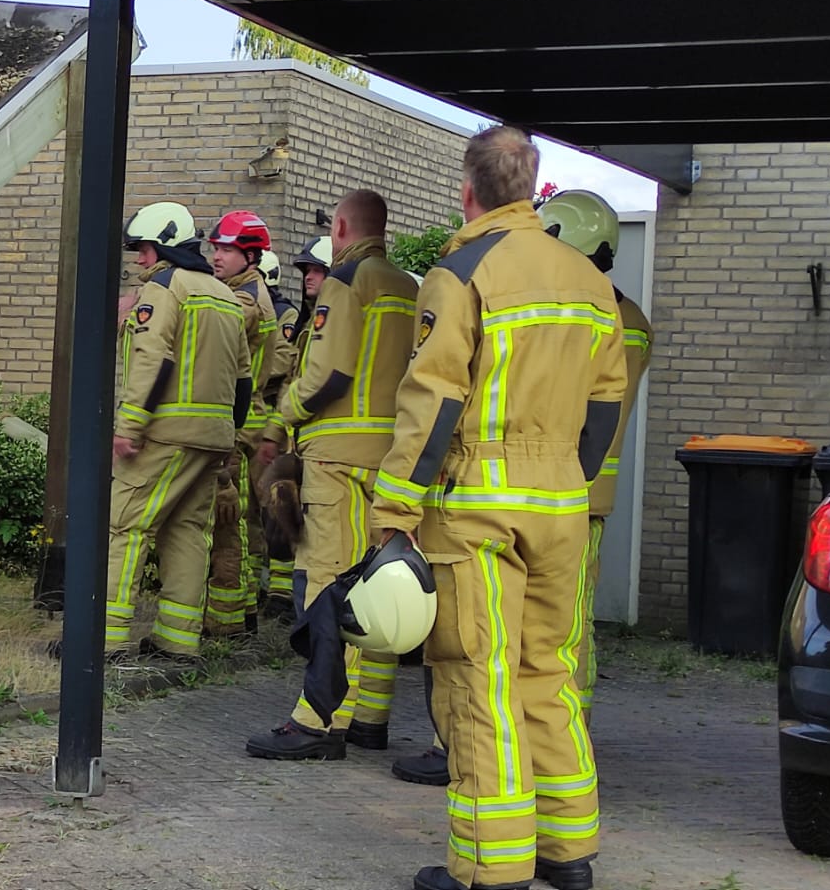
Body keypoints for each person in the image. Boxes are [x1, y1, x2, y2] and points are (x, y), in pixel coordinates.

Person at [370, 127, 627, 890]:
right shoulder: (589, 279)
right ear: (533, 186)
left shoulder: (460, 272)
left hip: (478, 507)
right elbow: (608, 401)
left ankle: (491, 865)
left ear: (467, 189)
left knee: (477, 679)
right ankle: (569, 851)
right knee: (547, 670)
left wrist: (396, 509)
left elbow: (432, 398)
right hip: (560, 505)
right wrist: (564, 477)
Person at [245, 190, 418, 761]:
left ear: (340, 227)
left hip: (338, 456)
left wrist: (279, 421)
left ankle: (315, 723)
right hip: (390, 456)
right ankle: (368, 716)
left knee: (325, 583)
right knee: (376, 584)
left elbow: (328, 373)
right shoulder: (410, 287)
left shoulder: (346, 282)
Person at [58, 201, 250, 662]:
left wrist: (130, 425)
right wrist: (230, 434)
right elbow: (243, 379)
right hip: (214, 438)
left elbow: (153, 359)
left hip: (165, 433)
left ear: (164, 246)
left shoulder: (165, 288)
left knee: (124, 526)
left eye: (143, 249)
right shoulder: (224, 295)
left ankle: (102, 639)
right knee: (186, 531)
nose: (140, 260)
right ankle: (177, 641)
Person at [536, 189, 654, 721]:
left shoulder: (587, 315)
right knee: (568, 617)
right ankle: (566, 728)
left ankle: (560, 731)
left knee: (554, 620)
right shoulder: (629, 317)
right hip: (586, 492)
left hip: (559, 485)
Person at [202, 210, 294, 638]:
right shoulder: (240, 290)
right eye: (216, 247)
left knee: (229, 517)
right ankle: (235, 609)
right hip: (244, 420)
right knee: (237, 517)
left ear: (251, 257)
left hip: (240, 423)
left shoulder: (245, 302)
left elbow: (207, 334)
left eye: (227, 250)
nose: (216, 256)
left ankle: (230, 616)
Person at [255, 235, 332, 615]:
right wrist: (277, 432)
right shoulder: (309, 324)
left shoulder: (332, 323)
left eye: (317, 270)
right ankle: (286, 597)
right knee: (278, 505)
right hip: (298, 438)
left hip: (326, 445)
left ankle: (299, 601)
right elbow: (292, 381)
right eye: (306, 271)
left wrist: (282, 421)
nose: (308, 277)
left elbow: (312, 382)